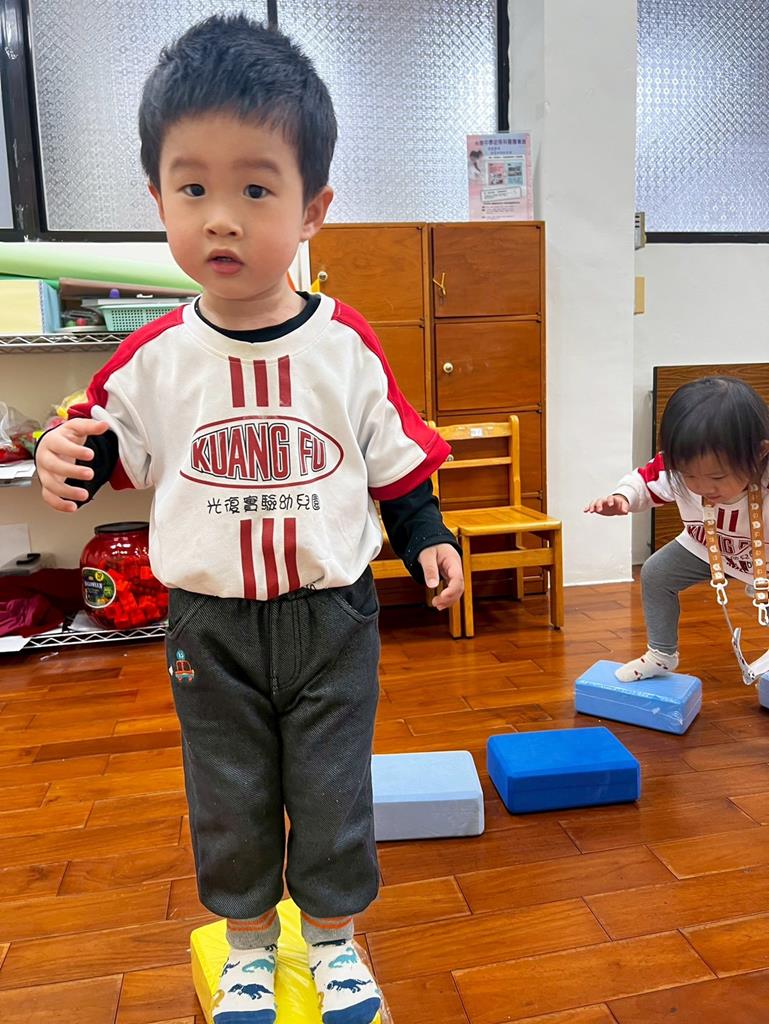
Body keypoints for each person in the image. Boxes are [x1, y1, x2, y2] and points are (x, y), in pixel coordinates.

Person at [35, 15, 463, 1024]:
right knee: (226, 792)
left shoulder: (344, 346)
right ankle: (247, 947)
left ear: (313, 208)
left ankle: (335, 941)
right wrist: (65, 458)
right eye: (193, 189)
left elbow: (393, 460)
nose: (221, 219)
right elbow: (101, 448)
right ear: (157, 200)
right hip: (209, 625)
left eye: (255, 190)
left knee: (331, 787)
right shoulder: (151, 359)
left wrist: (429, 535)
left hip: (331, 618)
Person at [586, 376, 769, 683]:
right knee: (656, 573)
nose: (702, 487)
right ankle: (661, 654)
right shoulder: (676, 470)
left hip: (763, 558)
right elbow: (644, 480)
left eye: (717, 477)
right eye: (689, 476)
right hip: (705, 547)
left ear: (760, 453)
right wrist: (623, 498)